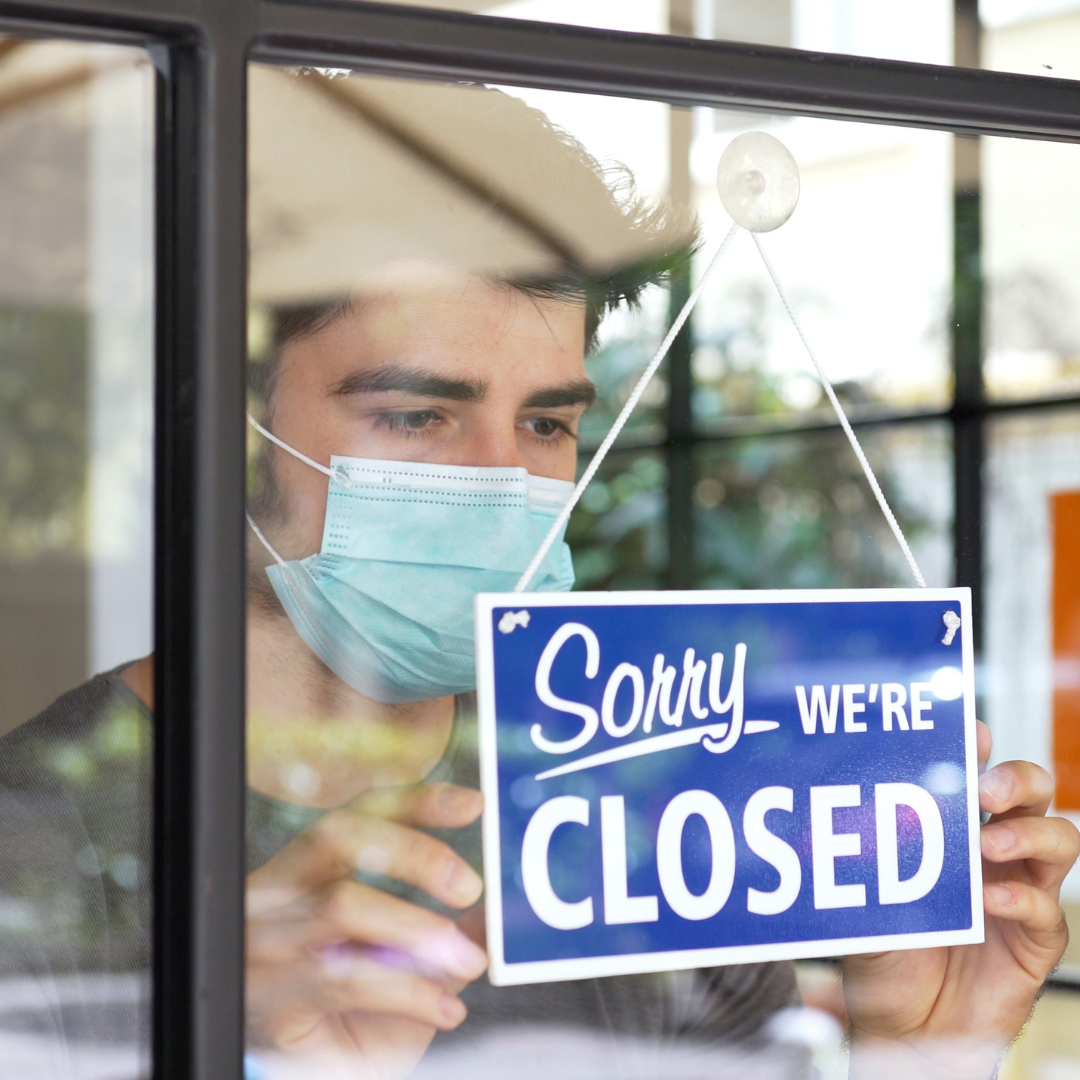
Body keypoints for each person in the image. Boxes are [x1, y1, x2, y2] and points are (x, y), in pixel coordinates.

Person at [0, 71, 1076, 1080]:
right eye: (419, 415)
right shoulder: (33, 837)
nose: (505, 486)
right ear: (214, 430)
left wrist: (924, 1048)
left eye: (549, 422)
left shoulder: (641, 793)